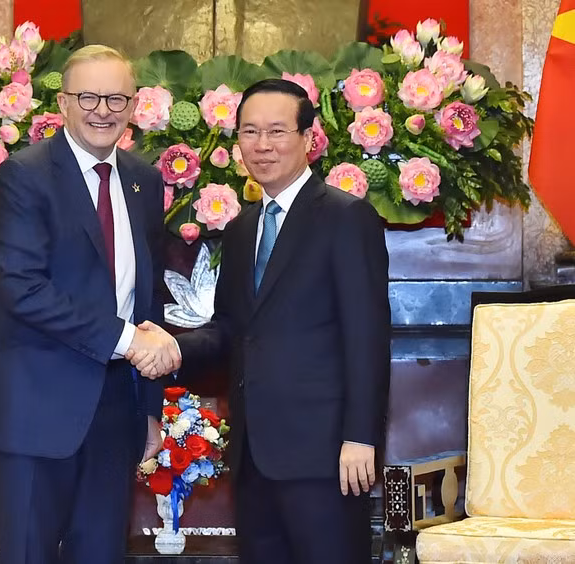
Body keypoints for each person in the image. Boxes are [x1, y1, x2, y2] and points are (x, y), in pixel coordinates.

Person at [130, 78, 391, 564]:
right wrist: (174, 345)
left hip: (326, 454)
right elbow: (232, 328)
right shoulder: (241, 226)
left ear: (308, 138)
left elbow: (367, 337)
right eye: (250, 132)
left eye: (276, 131)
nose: (262, 145)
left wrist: (361, 436)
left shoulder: (346, 217)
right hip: (253, 456)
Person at [0, 45, 180, 564]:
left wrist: (150, 411)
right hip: (35, 410)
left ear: (133, 107)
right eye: (88, 96)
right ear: (62, 103)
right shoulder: (24, 176)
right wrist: (132, 342)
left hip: (115, 410)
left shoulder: (144, 181)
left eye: (116, 98)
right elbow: (25, 289)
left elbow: (146, 295)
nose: (102, 109)